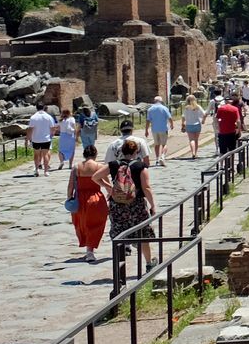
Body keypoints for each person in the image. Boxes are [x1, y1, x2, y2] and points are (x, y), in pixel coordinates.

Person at [105, 136, 156, 274]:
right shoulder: (140, 166)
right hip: (136, 205)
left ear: (122, 150)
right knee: (142, 234)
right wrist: (152, 205)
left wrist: (110, 188)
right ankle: (149, 263)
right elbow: (146, 187)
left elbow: (96, 177)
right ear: (136, 151)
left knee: (119, 234)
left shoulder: (114, 164)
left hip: (117, 206)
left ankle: (120, 270)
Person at [69, 143, 111, 263]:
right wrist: (110, 193)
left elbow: (70, 185)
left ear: (84, 154)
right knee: (96, 224)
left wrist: (69, 198)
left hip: (80, 200)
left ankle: (88, 250)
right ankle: (90, 250)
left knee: (82, 224)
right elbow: (108, 184)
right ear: (95, 154)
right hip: (96, 199)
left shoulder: (76, 167)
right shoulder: (99, 167)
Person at [26, 104, 56, 175]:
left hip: (36, 139)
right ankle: (46, 171)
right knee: (45, 154)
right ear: (43, 107)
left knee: (36, 154)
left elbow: (30, 129)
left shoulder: (33, 117)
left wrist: (28, 138)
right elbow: (52, 128)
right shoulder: (48, 117)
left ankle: (37, 169)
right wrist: (51, 135)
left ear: (36, 108)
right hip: (46, 138)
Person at [214, 92, 243, 161]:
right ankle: (231, 164)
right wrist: (239, 130)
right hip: (232, 131)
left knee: (222, 151)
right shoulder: (235, 109)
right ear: (231, 101)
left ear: (225, 101)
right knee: (231, 150)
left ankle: (222, 164)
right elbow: (238, 121)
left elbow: (216, 119)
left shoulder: (220, 109)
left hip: (222, 132)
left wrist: (218, 128)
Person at [146, 96, 172, 167]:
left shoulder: (150, 109)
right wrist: (172, 124)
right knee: (164, 144)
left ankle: (157, 159)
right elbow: (169, 117)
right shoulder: (164, 108)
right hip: (163, 128)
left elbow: (148, 120)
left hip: (154, 129)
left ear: (154, 101)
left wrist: (146, 130)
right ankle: (162, 156)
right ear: (161, 101)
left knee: (156, 144)